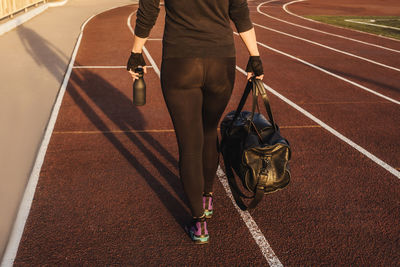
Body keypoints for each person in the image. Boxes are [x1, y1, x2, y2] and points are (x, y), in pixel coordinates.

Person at [127, 0, 264, 244]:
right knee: (209, 131)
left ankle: (199, 224)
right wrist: (255, 57)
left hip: (180, 61)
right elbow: (240, 13)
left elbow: (148, 11)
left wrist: (136, 52)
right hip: (220, 61)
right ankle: (207, 197)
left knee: (190, 146)